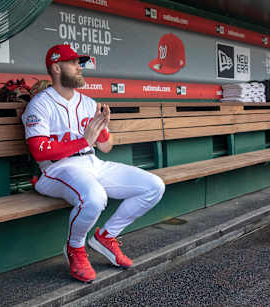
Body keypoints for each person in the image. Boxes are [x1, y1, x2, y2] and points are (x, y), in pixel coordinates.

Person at [21, 44, 165, 283]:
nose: (80, 67)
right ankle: (75, 248)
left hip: (92, 162)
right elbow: (39, 152)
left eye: (80, 63)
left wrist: (103, 131)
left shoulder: (88, 102)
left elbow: (106, 147)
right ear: (56, 68)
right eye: (74, 63)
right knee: (95, 197)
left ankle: (106, 236)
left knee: (154, 186)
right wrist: (83, 140)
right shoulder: (40, 104)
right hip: (57, 170)